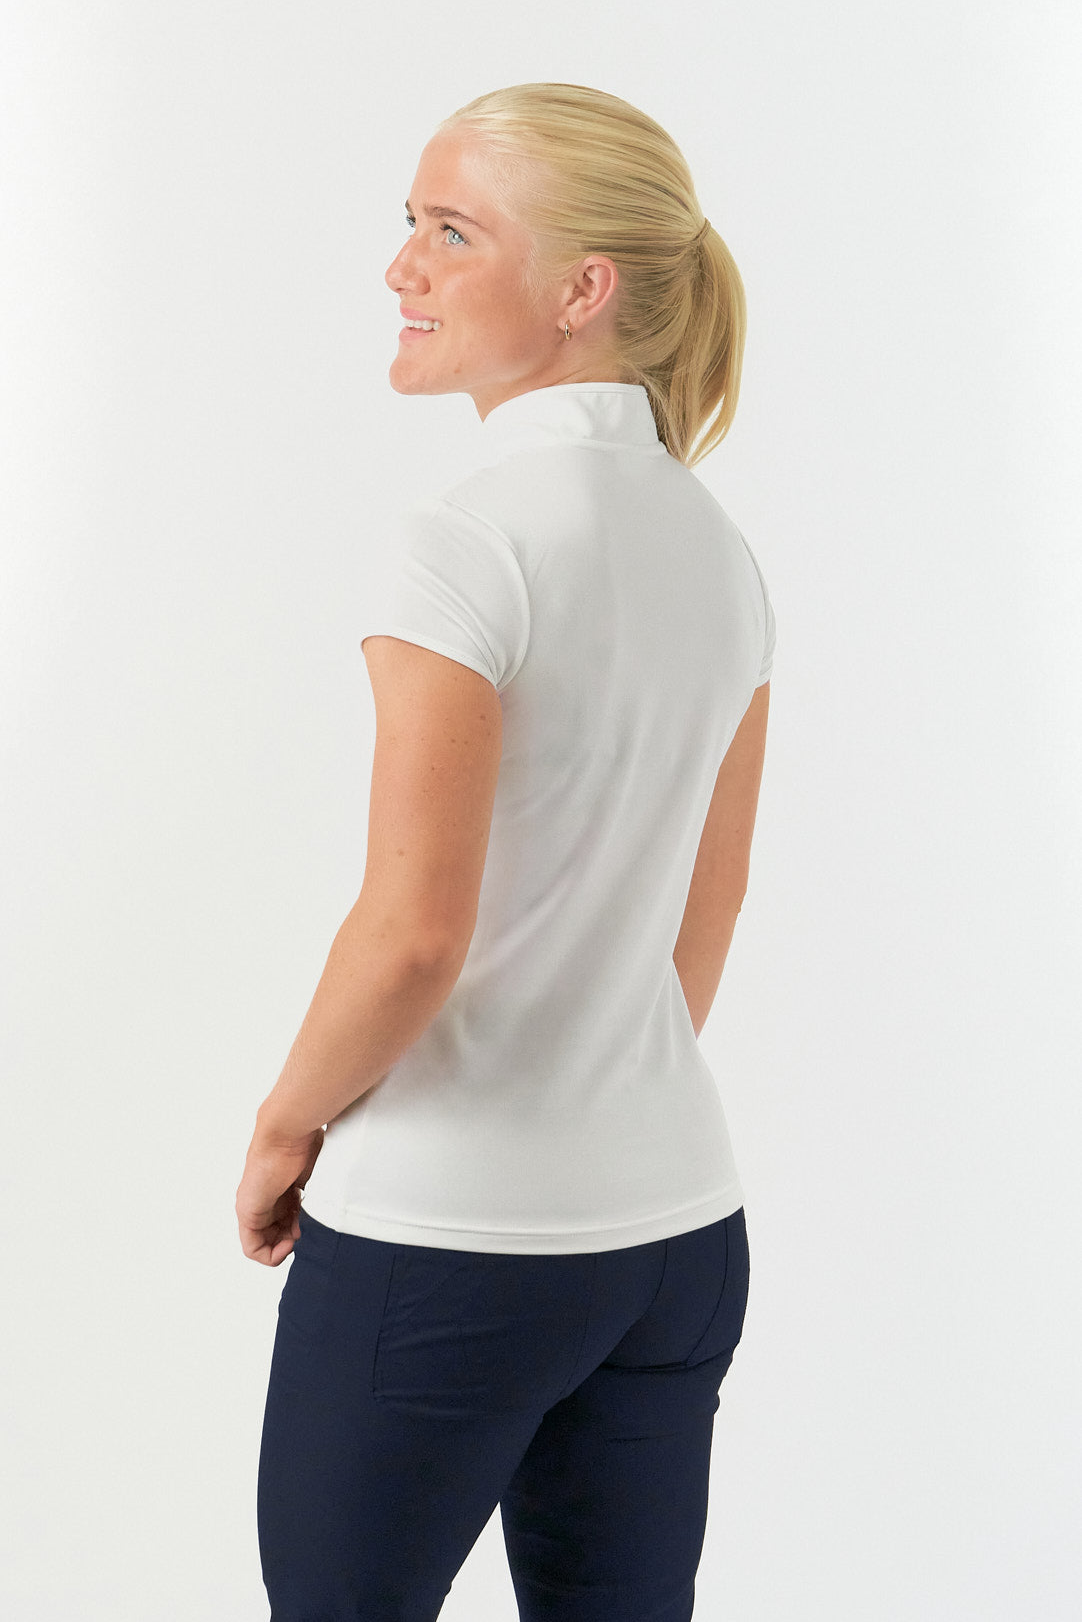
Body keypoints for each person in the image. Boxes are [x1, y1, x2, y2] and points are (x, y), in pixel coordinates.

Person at [235, 81, 775, 1622]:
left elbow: (414, 930)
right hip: (674, 1236)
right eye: (409, 223)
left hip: (446, 1240)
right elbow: (703, 911)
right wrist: (595, 1096)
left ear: (580, 289)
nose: (400, 266)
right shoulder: (716, 551)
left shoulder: (467, 540)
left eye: (451, 231)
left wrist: (284, 1127)